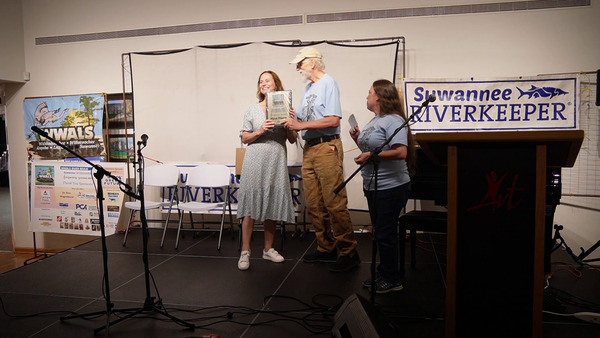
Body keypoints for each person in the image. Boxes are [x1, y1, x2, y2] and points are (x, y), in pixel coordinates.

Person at [282, 46, 360, 273]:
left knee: (334, 202)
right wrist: (292, 116)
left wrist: (300, 125)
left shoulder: (329, 83)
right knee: (315, 203)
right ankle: (326, 248)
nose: (298, 68)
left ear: (312, 63)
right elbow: (308, 119)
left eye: (300, 63)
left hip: (327, 146)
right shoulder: (308, 88)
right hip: (310, 148)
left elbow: (333, 119)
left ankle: (348, 252)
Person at [349, 79, 416, 293]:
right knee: (381, 232)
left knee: (385, 234)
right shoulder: (374, 121)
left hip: (392, 186)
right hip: (374, 185)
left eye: (369, 93)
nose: (366, 96)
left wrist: (371, 154)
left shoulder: (394, 120)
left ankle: (392, 279)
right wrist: (358, 139)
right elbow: (371, 150)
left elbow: (401, 152)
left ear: (378, 96)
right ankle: (386, 272)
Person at [237, 70, 298, 271]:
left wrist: (291, 124)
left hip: (276, 160)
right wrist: (260, 130)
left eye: (267, 80)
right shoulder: (252, 110)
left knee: (272, 203)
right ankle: (245, 251)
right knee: (250, 207)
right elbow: (244, 138)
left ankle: (268, 249)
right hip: (255, 160)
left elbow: (292, 139)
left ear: (276, 84)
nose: (264, 84)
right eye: (261, 81)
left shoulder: (287, 108)